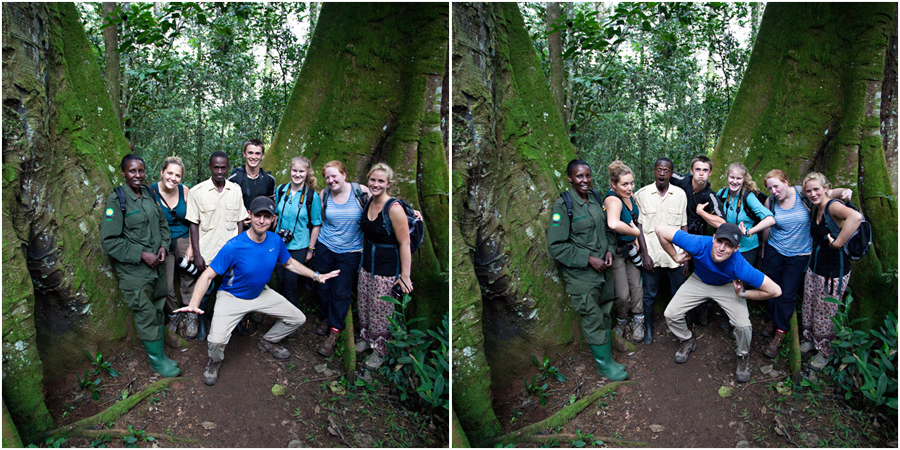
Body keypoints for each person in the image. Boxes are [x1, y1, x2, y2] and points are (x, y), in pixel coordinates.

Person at [175, 197, 339, 385]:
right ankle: (215, 361)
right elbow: (207, 276)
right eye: (258, 215)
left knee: (297, 318)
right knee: (217, 341)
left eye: (266, 217)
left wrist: (316, 276)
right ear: (249, 216)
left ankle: (268, 341)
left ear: (273, 219)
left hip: (261, 293)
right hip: (232, 297)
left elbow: (289, 263)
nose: (262, 220)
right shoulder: (234, 245)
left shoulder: (275, 241)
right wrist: (194, 304)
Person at [656, 223, 782, 383]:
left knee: (743, 326)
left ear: (736, 248)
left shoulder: (739, 266)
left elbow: (775, 291)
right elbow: (660, 229)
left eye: (728, 245)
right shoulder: (699, 244)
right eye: (720, 241)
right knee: (671, 313)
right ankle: (687, 340)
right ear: (713, 238)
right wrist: (675, 257)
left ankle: (743, 356)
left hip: (726, 286)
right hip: (699, 280)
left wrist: (743, 293)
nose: (722, 248)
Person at [547, 159, 627, 381]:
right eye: (579, 176)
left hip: (604, 272)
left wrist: (609, 250)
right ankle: (603, 366)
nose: (585, 180)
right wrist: (589, 259)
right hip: (582, 277)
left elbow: (609, 230)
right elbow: (556, 247)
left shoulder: (596, 198)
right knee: (592, 319)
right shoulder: (563, 206)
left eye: (588, 175)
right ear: (570, 178)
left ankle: (608, 359)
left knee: (605, 314)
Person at [101, 154, 179, 378]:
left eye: (141, 171)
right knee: (146, 314)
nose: (137, 175)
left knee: (158, 308)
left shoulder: (149, 193)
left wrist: (163, 246)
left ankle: (161, 355)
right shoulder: (116, 200)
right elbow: (110, 241)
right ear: (124, 173)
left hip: (158, 267)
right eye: (132, 171)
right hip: (135, 272)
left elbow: (163, 224)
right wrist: (142, 255)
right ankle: (156, 362)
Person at [758, 170, 851, 358]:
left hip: (799, 254)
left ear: (786, 182)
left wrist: (845, 192)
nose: (774, 191)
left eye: (776, 186)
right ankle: (772, 319)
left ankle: (780, 332)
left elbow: (829, 193)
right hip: (775, 250)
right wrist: (764, 245)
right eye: (770, 188)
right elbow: (768, 224)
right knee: (770, 287)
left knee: (787, 293)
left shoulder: (804, 194)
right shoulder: (771, 201)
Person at [800, 172, 862, 372]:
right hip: (816, 265)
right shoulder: (816, 205)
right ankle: (810, 339)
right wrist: (842, 191)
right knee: (809, 303)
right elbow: (827, 192)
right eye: (809, 191)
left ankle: (825, 351)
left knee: (825, 310)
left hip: (834, 270)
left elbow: (856, 217)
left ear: (826, 188)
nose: (812, 194)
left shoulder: (832, 206)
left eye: (816, 189)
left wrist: (838, 242)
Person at [184, 151, 247, 341]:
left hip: (230, 253)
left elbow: (240, 221)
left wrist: (239, 250)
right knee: (206, 291)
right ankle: (202, 324)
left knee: (232, 290)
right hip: (208, 253)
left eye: (223, 167)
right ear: (210, 167)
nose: (219, 171)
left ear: (228, 168)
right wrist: (197, 253)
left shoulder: (235, 190)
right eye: (216, 167)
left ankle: (234, 323)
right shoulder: (197, 191)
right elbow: (193, 224)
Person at [356, 163, 414, 371]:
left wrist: (405, 276)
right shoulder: (368, 201)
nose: (376, 184)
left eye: (381, 181)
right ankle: (366, 338)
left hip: (387, 269)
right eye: (373, 180)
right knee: (364, 304)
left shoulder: (394, 209)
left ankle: (380, 350)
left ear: (389, 183)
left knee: (381, 309)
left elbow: (405, 243)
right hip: (366, 265)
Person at [312, 161, 372, 357]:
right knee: (322, 286)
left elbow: (383, 205)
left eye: (334, 176)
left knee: (341, 291)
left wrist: (408, 212)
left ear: (344, 175)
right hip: (325, 247)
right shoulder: (325, 194)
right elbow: (319, 219)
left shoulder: (361, 192)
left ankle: (335, 330)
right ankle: (326, 316)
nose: (331, 180)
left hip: (351, 251)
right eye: (327, 177)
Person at [633, 157, 689, 345]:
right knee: (649, 294)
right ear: (654, 171)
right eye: (659, 169)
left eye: (666, 170)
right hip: (652, 256)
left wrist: (686, 256)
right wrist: (644, 254)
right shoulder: (642, 194)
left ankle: (680, 329)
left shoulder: (680, 194)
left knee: (679, 293)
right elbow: (639, 227)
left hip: (676, 257)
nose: (662, 173)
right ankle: (648, 328)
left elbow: (683, 226)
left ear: (671, 173)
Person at [670, 155, 725, 328]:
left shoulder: (710, 195)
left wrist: (702, 213)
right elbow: (664, 172)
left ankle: (701, 310)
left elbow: (721, 222)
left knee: (700, 274)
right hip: (676, 234)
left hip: (697, 239)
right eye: (698, 169)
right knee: (678, 272)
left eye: (705, 170)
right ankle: (681, 313)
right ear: (691, 171)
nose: (701, 173)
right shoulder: (682, 181)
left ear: (710, 173)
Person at [148, 156, 197, 336]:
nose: (173, 178)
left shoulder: (184, 191)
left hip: (184, 239)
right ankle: (173, 315)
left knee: (188, 279)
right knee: (166, 286)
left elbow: (193, 219)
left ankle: (190, 315)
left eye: (177, 175)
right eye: (169, 173)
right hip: (163, 243)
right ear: (162, 172)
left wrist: (192, 246)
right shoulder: (151, 192)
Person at [603, 161, 648, 343]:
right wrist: (635, 233)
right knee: (622, 294)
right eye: (624, 184)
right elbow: (613, 223)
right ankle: (622, 320)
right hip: (617, 251)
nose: (629, 188)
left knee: (637, 287)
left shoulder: (630, 197)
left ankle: (638, 319)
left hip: (631, 249)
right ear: (614, 184)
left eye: (631, 183)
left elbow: (632, 218)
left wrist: (635, 238)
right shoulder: (613, 199)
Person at [274, 156, 323, 309]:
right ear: (290, 170)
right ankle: (282, 313)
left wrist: (311, 249)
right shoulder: (281, 190)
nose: (297, 174)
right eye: (294, 170)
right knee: (280, 280)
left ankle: (293, 316)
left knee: (290, 283)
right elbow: (276, 215)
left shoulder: (311, 197)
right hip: (279, 244)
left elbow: (316, 224)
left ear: (307, 173)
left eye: (301, 171)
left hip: (299, 246)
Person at [713, 163, 775, 267]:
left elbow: (770, 220)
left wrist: (749, 232)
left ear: (744, 180)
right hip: (726, 246)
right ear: (727, 177)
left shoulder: (748, 197)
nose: (734, 181)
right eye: (732, 177)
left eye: (738, 178)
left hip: (746, 248)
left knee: (741, 276)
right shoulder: (722, 193)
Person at [228, 138, 277, 217]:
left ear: (262, 155)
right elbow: (228, 205)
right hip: (239, 222)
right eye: (250, 153)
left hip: (261, 222)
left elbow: (271, 204)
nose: (253, 157)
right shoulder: (234, 179)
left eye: (257, 153)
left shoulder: (269, 180)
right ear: (244, 154)